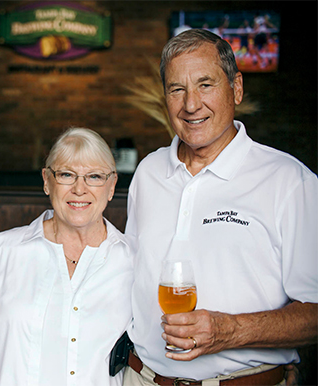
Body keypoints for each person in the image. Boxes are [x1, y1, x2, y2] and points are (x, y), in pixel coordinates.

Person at [123, 28, 317, 385]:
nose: (191, 104)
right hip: (140, 378)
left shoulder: (290, 181)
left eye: (205, 85)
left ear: (237, 89)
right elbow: (125, 277)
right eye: (176, 89)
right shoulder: (149, 172)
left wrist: (229, 330)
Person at [0, 128, 134, 385]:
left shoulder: (133, 261)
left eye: (94, 176)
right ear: (47, 181)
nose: (79, 189)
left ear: (112, 185)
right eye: (66, 175)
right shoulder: (1, 251)